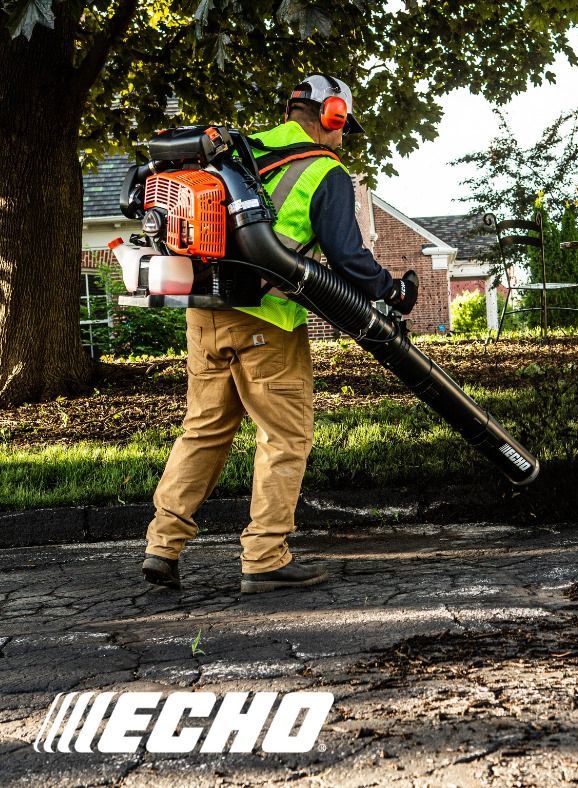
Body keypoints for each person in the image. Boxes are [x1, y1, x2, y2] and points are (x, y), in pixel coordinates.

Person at [141, 74, 418, 594]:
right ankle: (265, 556)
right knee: (285, 437)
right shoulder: (324, 171)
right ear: (331, 115)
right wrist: (394, 290)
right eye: (344, 127)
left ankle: (162, 545)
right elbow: (349, 259)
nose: (344, 138)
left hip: (204, 311)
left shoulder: (236, 151)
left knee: (203, 430)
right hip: (268, 320)